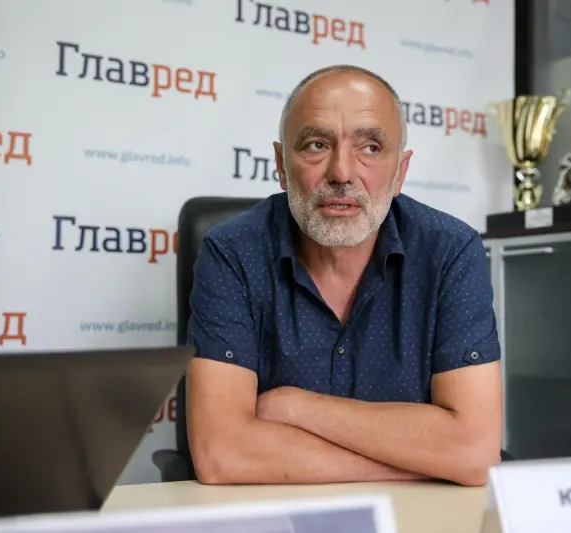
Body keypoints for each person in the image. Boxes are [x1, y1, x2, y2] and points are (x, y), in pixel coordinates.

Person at [185, 64, 503, 486]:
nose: (341, 173)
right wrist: (425, 459)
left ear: (400, 172)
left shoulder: (450, 252)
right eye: (316, 145)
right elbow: (221, 454)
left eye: (370, 147)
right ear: (281, 164)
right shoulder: (232, 252)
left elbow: (474, 451)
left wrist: (294, 406)